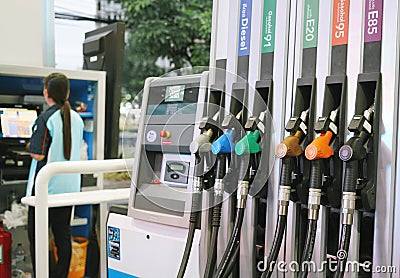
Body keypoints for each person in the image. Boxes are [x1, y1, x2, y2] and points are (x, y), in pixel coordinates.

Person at [26, 72, 84, 278]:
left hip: (46, 189)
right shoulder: (77, 118)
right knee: (62, 235)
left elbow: (38, 153)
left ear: (46, 92)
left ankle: (44, 274)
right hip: (68, 188)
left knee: (38, 236)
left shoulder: (45, 118)